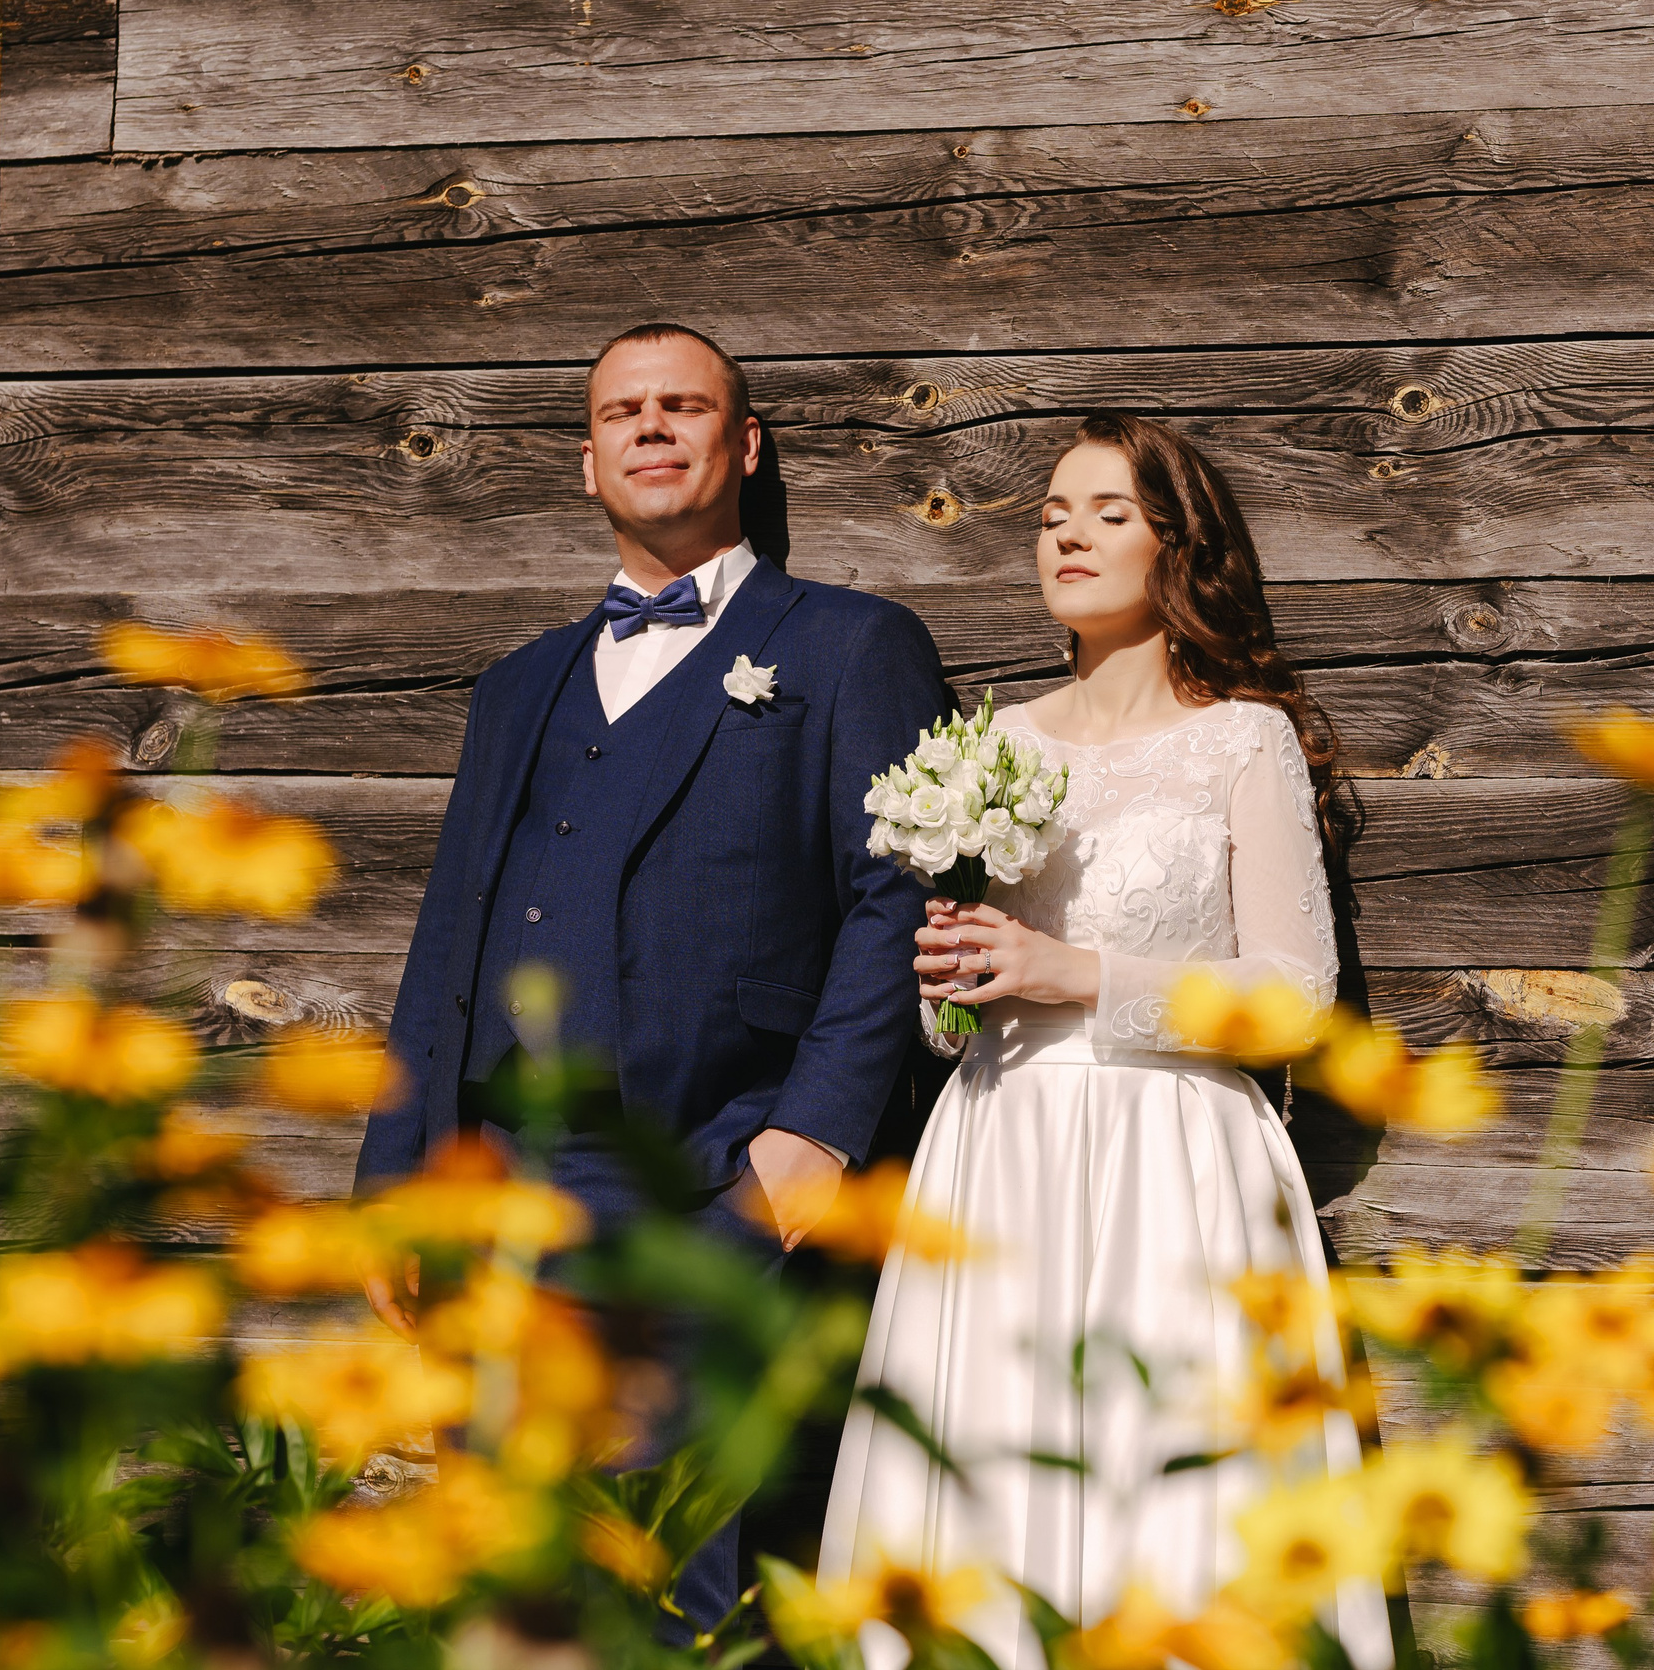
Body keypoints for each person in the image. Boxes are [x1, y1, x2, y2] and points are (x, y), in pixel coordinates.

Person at [354, 321, 950, 1630]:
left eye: (685, 405)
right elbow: (448, 934)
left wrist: (813, 1134)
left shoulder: (851, 646)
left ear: (746, 444)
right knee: (512, 1577)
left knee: (696, 1576)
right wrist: (396, 1176)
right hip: (500, 1192)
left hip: (715, 1175)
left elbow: (898, 890)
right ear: (587, 461)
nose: (652, 426)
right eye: (624, 410)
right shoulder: (517, 686)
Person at [819, 415, 1392, 1670]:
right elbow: (964, 999)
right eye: (1049, 515)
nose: (1067, 534)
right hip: (999, 1143)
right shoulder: (995, 743)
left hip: (1174, 1156)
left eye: (1106, 512)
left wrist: (1077, 972)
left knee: (1173, 1484)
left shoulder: (1240, 739)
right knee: (982, 1466)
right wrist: (950, 982)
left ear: (1179, 543)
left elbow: (1295, 996)